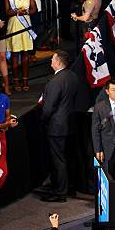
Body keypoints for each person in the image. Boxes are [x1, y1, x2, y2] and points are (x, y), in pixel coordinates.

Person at [41, 51, 78, 202]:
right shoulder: (73, 76)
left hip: (57, 127)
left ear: (58, 62)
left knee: (59, 160)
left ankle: (60, 192)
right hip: (70, 124)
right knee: (68, 158)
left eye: (52, 59)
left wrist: (43, 120)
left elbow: (48, 108)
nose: (50, 61)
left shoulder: (55, 81)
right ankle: (70, 188)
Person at [5, 0, 37, 92]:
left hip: (26, 26)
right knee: (14, 56)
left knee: (25, 55)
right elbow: (7, 12)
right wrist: (17, 12)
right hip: (14, 26)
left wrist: (27, 11)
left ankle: (25, 81)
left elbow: (34, 9)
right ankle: (16, 81)